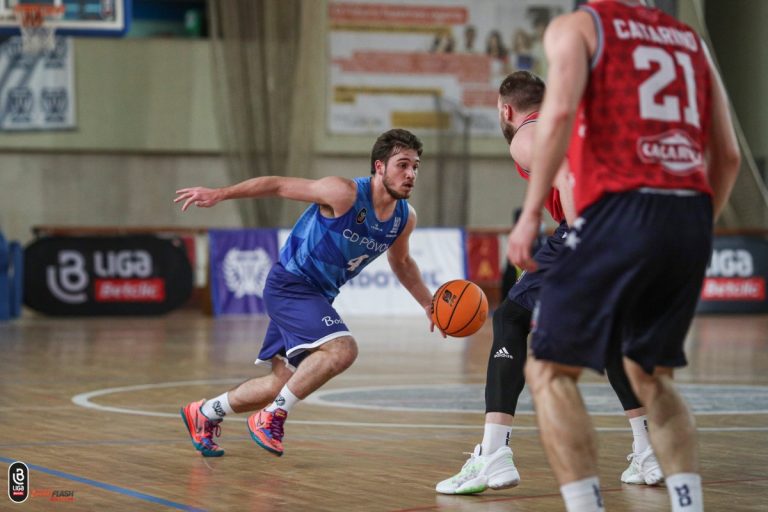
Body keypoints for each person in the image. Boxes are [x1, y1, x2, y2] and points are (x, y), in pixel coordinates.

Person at [508, 2, 740, 511]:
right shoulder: (690, 41)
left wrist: (528, 216)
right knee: (651, 376)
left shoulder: (579, 27)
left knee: (549, 371)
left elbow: (558, 116)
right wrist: (696, 226)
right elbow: (727, 156)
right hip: (689, 215)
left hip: (617, 209)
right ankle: (688, 504)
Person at [436, 70, 663, 496]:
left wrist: (581, 241)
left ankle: (493, 452)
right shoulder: (568, 122)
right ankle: (649, 449)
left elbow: (565, 175)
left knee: (510, 318)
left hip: (588, 229)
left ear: (506, 109)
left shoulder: (527, 134)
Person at [175, 129, 438, 458]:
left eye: (415, 166)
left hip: (318, 296)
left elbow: (401, 262)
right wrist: (220, 194)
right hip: (290, 285)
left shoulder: (403, 218)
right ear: (380, 167)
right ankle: (271, 416)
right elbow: (277, 185)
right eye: (403, 165)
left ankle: (204, 413)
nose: (411, 174)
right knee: (343, 349)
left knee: (278, 383)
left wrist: (428, 303)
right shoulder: (343, 193)